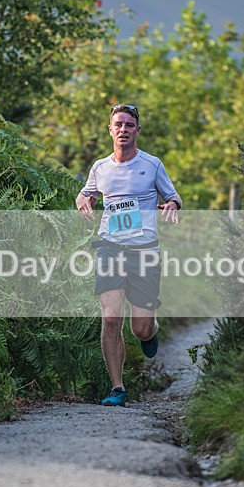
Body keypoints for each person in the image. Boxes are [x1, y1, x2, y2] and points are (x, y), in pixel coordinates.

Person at [75, 104, 182, 407]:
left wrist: (173, 205)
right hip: (110, 247)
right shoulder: (100, 167)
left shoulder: (152, 164)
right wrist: (83, 199)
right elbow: (86, 192)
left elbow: (173, 196)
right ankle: (117, 388)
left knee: (139, 328)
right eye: (118, 124)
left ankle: (151, 333)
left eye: (129, 125)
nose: (123, 129)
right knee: (110, 318)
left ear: (137, 130)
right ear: (110, 130)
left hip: (144, 251)